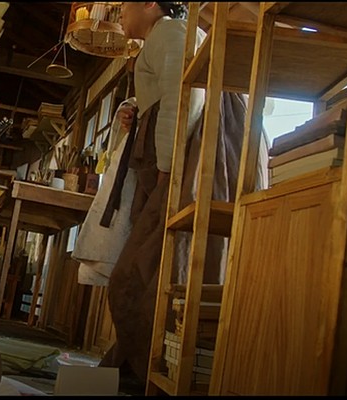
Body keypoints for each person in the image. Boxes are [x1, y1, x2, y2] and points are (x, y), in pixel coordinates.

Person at [88, 2, 269, 382]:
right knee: (149, 266)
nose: (120, 14)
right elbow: (169, 94)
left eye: (125, 6)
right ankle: (142, 364)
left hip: (187, 163)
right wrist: (135, 109)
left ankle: (152, 366)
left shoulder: (171, 31)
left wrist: (167, 167)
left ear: (151, 4)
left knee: (142, 272)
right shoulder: (168, 36)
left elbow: (184, 99)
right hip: (180, 159)